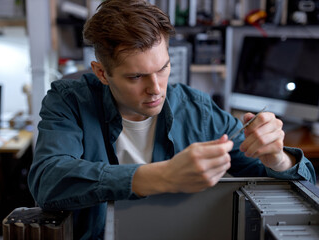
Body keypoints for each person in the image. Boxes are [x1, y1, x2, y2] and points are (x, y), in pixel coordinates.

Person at [27, 0, 316, 239]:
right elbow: (48, 181)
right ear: (101, 73)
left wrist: (278, 159)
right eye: (136, 76)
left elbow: (301, 190)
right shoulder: (69, 100)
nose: (156, 88)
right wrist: (161, 176)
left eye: (163, 68)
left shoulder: (198, 110)